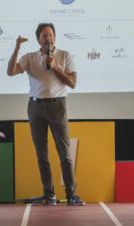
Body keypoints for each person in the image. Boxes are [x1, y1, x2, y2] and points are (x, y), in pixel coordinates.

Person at [6, 23, 82, 206]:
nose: (48, 38)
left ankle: (71, 194)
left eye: (50, 35)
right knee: (42, 155)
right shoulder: (30, 57)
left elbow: (72, 83)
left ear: (55, 37)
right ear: (38, 39)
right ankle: (49, 194)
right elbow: (11, 71)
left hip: (58, 106)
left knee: (64, 153)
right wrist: (17, 48)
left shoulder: (65, 56)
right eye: (44, 36)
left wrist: (55, 67)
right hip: (36, 107)